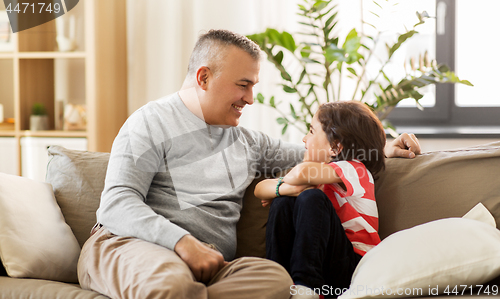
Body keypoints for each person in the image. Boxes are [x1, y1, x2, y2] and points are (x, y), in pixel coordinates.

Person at [77, 29, 421, 299]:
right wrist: (183, 242)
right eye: (243, 85)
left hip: (214, 265)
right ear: (203, 78)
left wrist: (383, 148)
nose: (251, 99)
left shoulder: (248, 143)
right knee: (172, 286)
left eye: (254, 86)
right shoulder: (150, 122)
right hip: (133, 245)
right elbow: (117, 203)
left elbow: (322, 153)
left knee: (275, 281)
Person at [254, 101, 388, 299]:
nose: (304, 139)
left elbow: (300, 173)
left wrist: (283, 188)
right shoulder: (318, 178)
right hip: (328, 264)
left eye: (311, 131)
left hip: (354, 267)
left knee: (310, 197)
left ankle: (306, 285)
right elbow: (260, 189)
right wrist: (285, 190)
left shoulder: (355, 170)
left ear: (335, 147)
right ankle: (277, 282)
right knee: (284, 202)